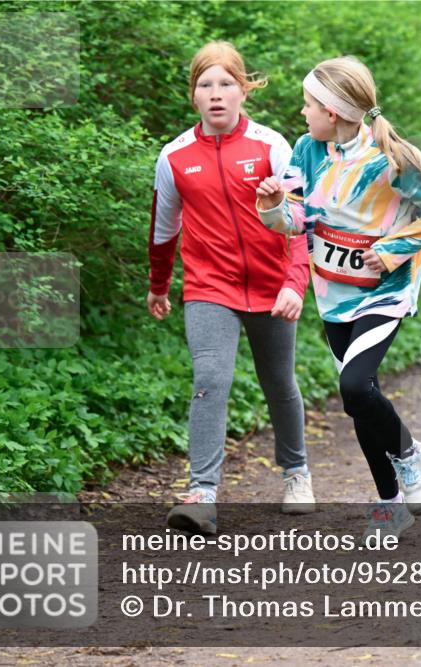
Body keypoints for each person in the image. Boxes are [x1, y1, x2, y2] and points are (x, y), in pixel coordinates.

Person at [254, 56, 421, 539]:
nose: (302, 113)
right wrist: (273, 206)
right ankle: (391, 504)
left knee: (354, 387)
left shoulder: (391, 159)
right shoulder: (308, 149)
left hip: (384, 292)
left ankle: (410, 456)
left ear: (333, 110)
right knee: (360, 399)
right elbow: (300, 219)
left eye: (308, 104)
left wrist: (391, 250)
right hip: (333, 294)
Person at [147, 41, 315, 535]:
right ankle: (201, 492)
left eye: (225, 84)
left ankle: (296, 473)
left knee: (279, 382)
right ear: (193, 96)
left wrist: (294, 283)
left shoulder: (273, 146)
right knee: (211, 378)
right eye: (205, 85)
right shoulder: (175, 156)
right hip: (208, 286)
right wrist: (159, 285)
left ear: (243, 90)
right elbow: (163, 228)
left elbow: (301, 221)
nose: (216, 94)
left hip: (270, 284)